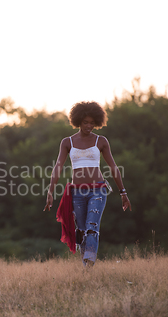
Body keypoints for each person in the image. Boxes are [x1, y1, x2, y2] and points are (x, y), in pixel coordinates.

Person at [43, 101, 131, 267]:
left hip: (97, 190)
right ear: (78, 121)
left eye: (92, 122)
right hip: (76, 192)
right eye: (85, 122)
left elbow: (113, 167)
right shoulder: (67, 142)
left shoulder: (101, 141)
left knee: (92, 227)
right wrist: (50, 192)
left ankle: (88, 265)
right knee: (82, 231)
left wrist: (123, 192)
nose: (89, 126)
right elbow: (58, 167)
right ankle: (87, 266)